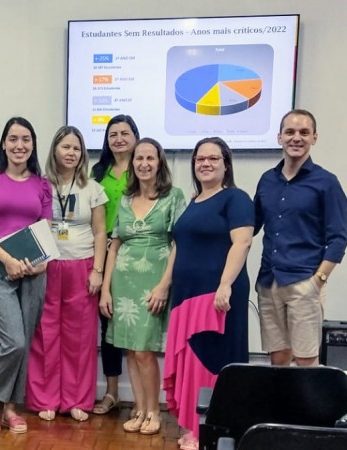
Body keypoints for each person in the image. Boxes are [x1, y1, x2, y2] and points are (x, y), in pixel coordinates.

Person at [164, 137, 254, 450]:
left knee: (213, 361)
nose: (205, 163)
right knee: (191, 362)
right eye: (200, 159)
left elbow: (242, 243)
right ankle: (193, 424)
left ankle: (211, 429)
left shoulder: (236, 198)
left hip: (217, 296)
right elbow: (180, 246)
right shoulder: (194, 200)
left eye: (213, 159)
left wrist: (225, 284)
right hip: (186, 295)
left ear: (226, 164)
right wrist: (165, 284)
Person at [99, 137, 185, 436]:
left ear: (159, 162)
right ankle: (138, 407)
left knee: (145, 350)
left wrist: (164, 285)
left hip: (153, 281)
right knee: (129, 350)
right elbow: (114, 244)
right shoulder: (124, 198)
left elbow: (179, 243)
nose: (144, 164)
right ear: (132, 164)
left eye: (150, 158)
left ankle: (152, 410)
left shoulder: (174, 196)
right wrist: (106, 289)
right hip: (123, 281)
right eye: (139, 159)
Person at [0, 117, 52, 436]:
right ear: (4, 143)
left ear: (33, 145)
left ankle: (12, 409)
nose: (20, 145)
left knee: (25, 340)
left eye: (26, 139)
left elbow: (45, 233)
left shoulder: (42, 184)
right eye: (13, 139)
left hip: (33, 270)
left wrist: (40, 264)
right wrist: (7, 259)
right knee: (13, 341)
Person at [26, 126, 107, 423]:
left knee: (80, 335)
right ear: (54, 151)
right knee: (44, 332)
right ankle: (45, 398)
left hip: (82, 265)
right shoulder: (40, 185)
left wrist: (98, 270)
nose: (71, 153)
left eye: (77, 148)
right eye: (66, 147)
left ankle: (76, 399)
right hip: (46, 266)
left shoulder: (93, 188)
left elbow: (100, 231)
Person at [254, 109, 347, 367]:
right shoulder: (267, 180)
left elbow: (339, 238)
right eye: (290, 132)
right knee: (278, 360)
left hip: (305, 283)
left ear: (314, 138)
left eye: (304, 132)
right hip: (269, 282)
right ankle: (281, 409)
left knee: (307, 362)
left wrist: (319, 280)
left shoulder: (326, 182)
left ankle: (306, 410)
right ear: (279, 137)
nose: (297, 138)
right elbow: (250, 225)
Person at [89, 114, 140, 415]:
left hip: (137, 249)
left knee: (136, 323)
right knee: (108, 322)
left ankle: (140, 396)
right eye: (112, 134)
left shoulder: (145, 167)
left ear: (135, 135)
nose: (119, 139)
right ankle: (111, 392)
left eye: (125, 133)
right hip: (105, 248)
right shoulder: (98, 172)